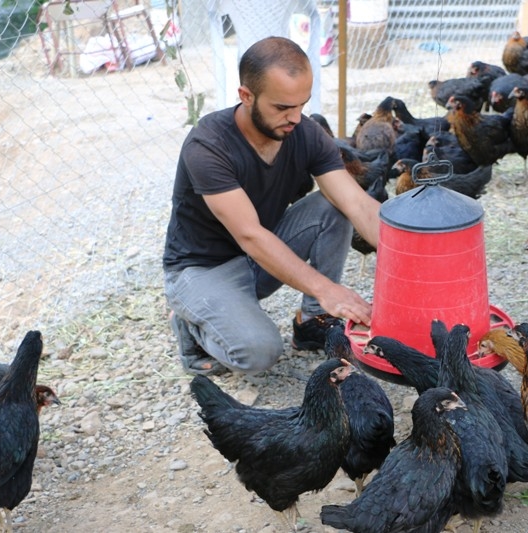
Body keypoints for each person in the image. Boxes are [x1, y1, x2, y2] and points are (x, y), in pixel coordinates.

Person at [163, 36, 381, 375]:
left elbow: (356, 203)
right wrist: (327, 289)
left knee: (332, 206)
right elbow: (249, 234)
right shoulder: (208, 145)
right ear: (246, 96)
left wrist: (411, 263)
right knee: (259, 354)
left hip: (259, 258)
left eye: (301, 105)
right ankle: (190, 326)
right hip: (203, 269)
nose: (295, 118)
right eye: (282, 107)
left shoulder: (303, 132)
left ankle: (312, 322)